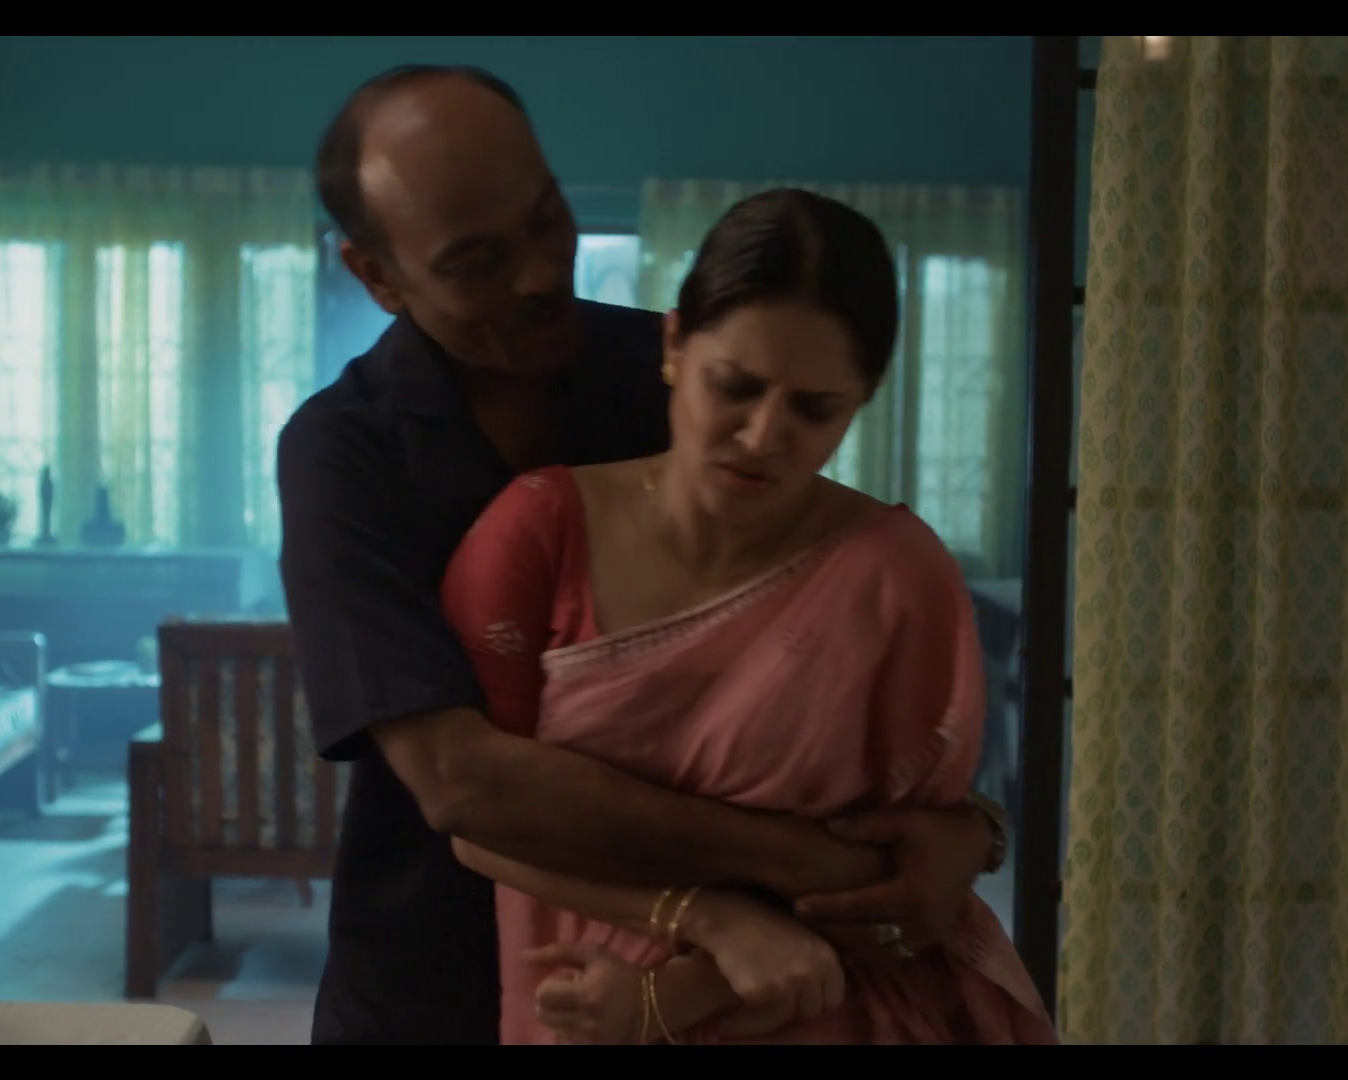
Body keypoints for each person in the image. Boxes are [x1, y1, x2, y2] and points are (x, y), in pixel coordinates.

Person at [278, 63, 1011, 1046]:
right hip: (437, 976)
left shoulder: (692, 378)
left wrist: (968, 831)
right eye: (477, 262)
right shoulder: (344, 453)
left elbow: (813, 695)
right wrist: (786, 874)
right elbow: (462, 783)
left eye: (546, 219)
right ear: (378, 275)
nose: (538, 275)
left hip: (747, 994)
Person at [438, 188, 1056, 1045]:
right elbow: (476, 817)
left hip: (830, 1010)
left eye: (814, 409)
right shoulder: (539, 533)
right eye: (736, 387)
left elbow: (900, 882)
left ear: (864, 398)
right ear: (673, 346)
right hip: (587, 1007)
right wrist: (701, 919)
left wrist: (678, 995)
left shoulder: (893, 578)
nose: (764, 436)